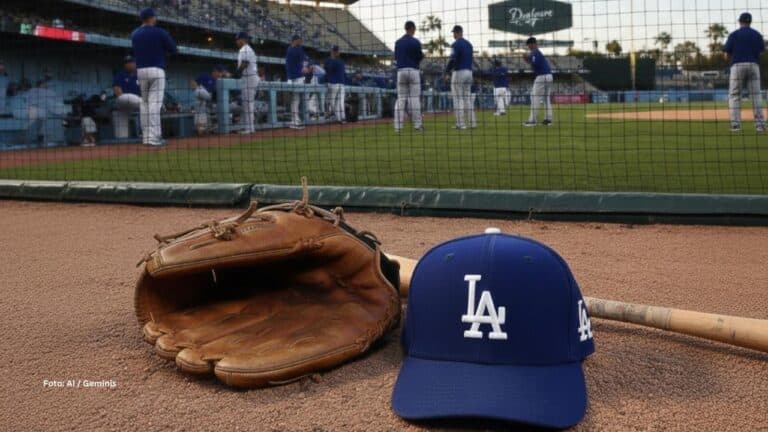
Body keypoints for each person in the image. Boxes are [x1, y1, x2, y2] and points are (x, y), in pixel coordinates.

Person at [131, 8, 177, 146]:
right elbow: (173, 49)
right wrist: (162, 52)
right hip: (156, 70)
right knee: (154, 104)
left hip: (140, 71)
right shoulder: (159, 32)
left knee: (144, 104)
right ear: (151, 18)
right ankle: (154, 137)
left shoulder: (135, 33)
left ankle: (146, 137)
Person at [724, 12, 766, 133]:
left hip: (737, 65)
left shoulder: (734, 34)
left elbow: (726, 53)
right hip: (754, 65)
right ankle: (760, 126)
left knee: (734, 96)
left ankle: (736, 125)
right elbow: (761, 52)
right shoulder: (757, 34)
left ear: (740, 21)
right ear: (750, 22)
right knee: (756, 95)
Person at [393, 21, 424, 132]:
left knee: (401, 99)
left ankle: (398, 127)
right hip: (413, 70)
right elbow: (420, 57)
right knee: (414, 99)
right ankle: (417, 125)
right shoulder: (415, 42)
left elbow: (396, 58)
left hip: (400, 71)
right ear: (412, 29)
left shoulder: (398, 42)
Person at [446, 25, 473, 130]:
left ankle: (460, 124)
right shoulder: (469, 44)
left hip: (459, 72)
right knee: (467, 98)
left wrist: (447, 71)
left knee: (458, 99)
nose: (454, 34)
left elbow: (452, 59)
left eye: (454, 32)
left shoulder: (455, 44)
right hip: (469, 72)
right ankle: (472, 123)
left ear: (458, 33)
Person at [523, 37, 553, 127]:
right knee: (546, 99)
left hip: (542, 76)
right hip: (549, 76)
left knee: (535, 97)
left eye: (529, 45)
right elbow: (533, 63)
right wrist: (527, 59)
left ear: (532, 44)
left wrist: (527, 58)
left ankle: (532, 121)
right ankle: (548, 119)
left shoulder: (535, 52)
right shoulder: (537, 52)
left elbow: (534, 64)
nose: (528, 47)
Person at [112, 56, 141, 139]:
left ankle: (144, 133)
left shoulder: (140, 75)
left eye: (131, 62)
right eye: (127, 63)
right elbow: (117, 91)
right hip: (123, 103)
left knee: (146, 106)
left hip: (138, 102)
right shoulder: (120, 75)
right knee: (121, 137)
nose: (129, 64)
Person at [236, 32, 259, 134]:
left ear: (243, 39)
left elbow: (245, 63)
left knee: (248, 104)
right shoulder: (248, 49)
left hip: (249, 78)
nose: (236, 41)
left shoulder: (245, 49)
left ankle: (249, 128)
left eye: (238, 39)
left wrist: (236, 74)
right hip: (251, 77)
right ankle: (250, 127)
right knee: (249, 104)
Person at [191, 65, 225, 134]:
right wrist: (196, 89)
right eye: (219, 72)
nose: (220, 75)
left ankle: (202, 127)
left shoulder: (219, 81)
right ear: (215, 71)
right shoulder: (205, 76)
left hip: (212, 101)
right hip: (202, 97)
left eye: (221, 73)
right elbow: (193, 81)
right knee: (201, 102)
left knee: (201, 101)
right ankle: (202, 127)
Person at [285, 34, 307, 129]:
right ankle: (295, 120)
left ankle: (295, 119)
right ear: (295, 40)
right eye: (299, 40)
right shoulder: (294, 50)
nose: (301, 42)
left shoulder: (294, 49)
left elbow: (304, 62)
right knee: (295, 99)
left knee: (296, 99)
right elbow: (301, 63)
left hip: (295, 77)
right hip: (295, 78)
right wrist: (304, 68)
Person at [324, 45, 346, 124]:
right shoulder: (338, 61)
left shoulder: (335, 61)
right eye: (336, 51)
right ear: (333, 51)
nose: (337, 52)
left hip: (336, 84)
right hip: (335, 84)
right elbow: (328, 71)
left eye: (337, 51)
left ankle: (340, 118)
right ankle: (340, 118)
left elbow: (328, 70)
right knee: (336, 102)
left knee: (337, 102)